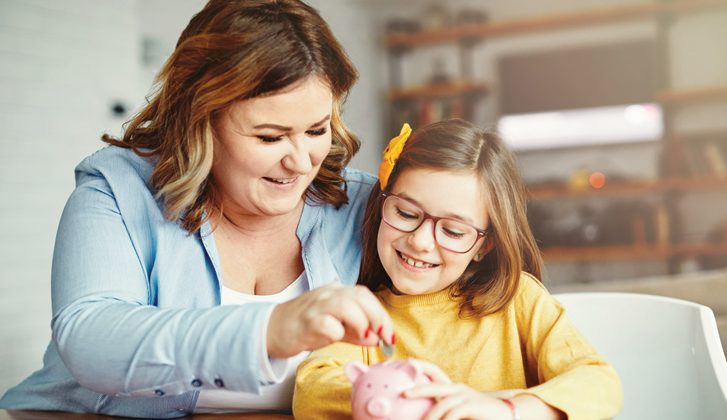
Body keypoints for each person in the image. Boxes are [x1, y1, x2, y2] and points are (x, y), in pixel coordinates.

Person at [0, 0, 395, 417]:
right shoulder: (118, 187)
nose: (301, 162)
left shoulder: (363, 206)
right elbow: (89, 338)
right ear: (201, 121)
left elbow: (463, 290)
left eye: (317, 130)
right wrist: (269, 331)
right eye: (269, 137)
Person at [293, 119, 623, 420]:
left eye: (452, 231)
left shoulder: (518, 300)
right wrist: (402, 400)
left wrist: (507, 411)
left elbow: (598, 382)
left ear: (485, 245)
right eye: (407, 213)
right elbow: (312, 390)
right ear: (382, 204)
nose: (421, 241)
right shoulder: (365, 314)